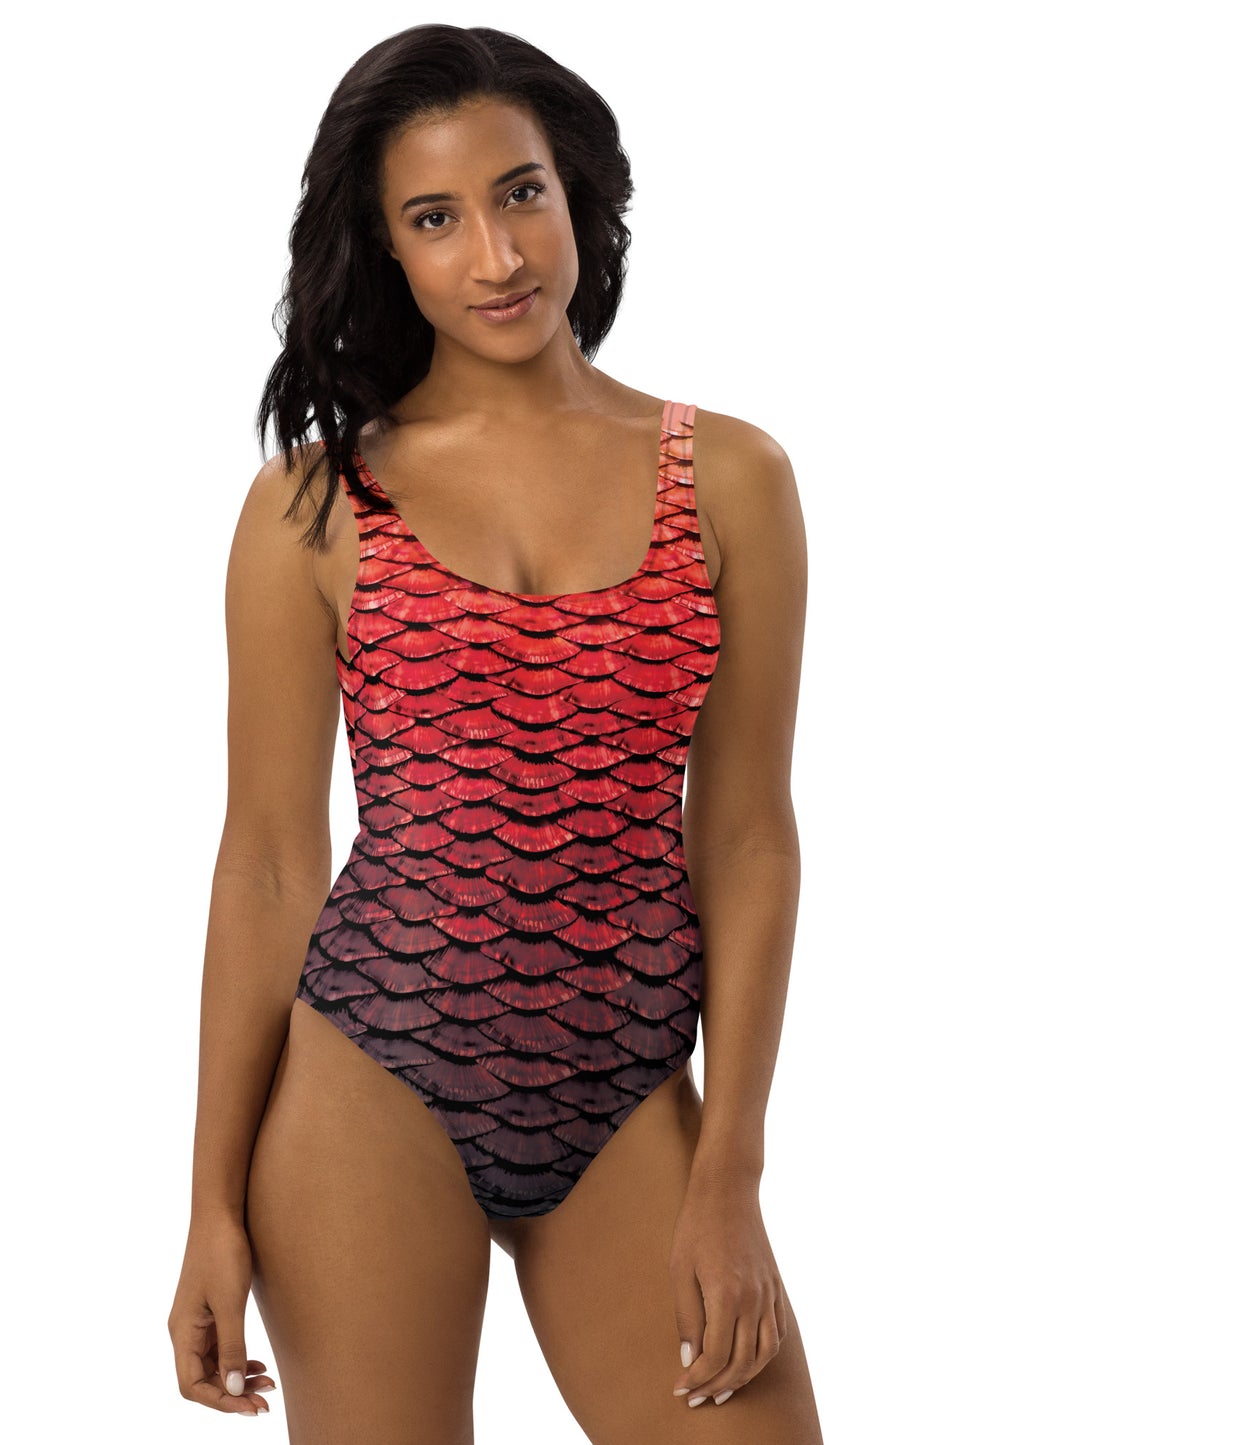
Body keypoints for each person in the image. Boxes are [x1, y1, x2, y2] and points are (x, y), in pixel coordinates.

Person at [168, 23, 821, 1443]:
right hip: (369, 1075)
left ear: (576, 191)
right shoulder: (312, 506)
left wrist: (729, 1171)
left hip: (629, 1081)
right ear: (385, 249)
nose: (498, 254)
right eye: (435, 217)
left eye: (520, 192)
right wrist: (208, 1205)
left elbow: (746, 837)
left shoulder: (732, 478)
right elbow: (268, 864)